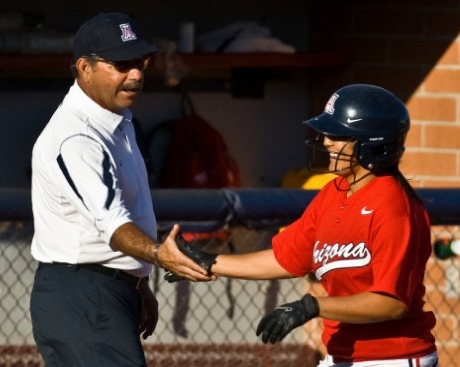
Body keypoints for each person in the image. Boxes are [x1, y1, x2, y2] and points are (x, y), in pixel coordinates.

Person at [166, 84, 439, 366]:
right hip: (342, 355)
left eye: (338, 135)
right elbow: (286, 258)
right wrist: (209, 261)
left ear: (374, 143)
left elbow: (391, 303)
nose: (326, 142)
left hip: (393, 357)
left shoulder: (393, 207)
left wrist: (312, 306)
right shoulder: (335, 192)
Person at [29, 12, 212, 367]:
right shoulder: (76, 136)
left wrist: (136, 282)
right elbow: (110, 223)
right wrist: (158, 254)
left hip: (104, 289)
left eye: (140, 62)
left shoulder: (115, 117)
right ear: (85, 68)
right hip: (82, 294)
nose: (137, 75)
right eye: (121, 64)